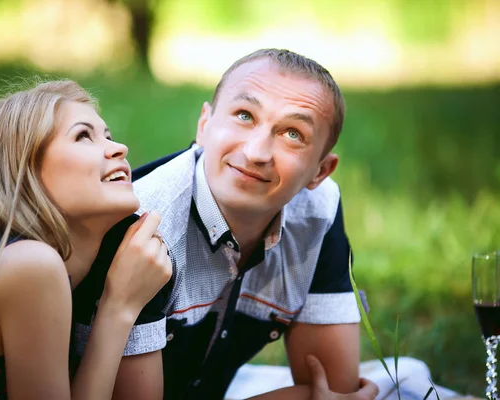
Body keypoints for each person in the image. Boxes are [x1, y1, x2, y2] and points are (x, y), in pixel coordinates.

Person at [72, 49, 379, 399]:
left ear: (320, 171)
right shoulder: (140, 227)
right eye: (244, 115)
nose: (256, 152)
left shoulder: (317, 213)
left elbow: (330, 389)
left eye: (293, 134)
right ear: (205, 125)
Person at [0, 80, 172, 399]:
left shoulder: (17, 263)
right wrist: (119, 308)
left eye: (108, 136)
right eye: (83, 136)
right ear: (24, 172)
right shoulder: (29, 265)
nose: (119, 148)